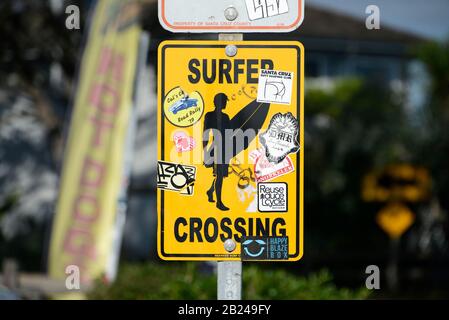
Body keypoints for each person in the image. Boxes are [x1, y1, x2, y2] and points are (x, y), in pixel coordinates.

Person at [203, 93, 231, 211]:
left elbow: (229, 134)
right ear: (217, 102)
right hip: (215, 149)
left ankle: (210, 191)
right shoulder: (209, 115)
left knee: (221, 175)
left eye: (226, 101)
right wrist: (205, 152)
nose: (225, 103)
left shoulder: (226, 117)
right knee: (219, 175)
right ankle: (219, 202)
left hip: (225, 149)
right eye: (224, 101)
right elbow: (205, 134)